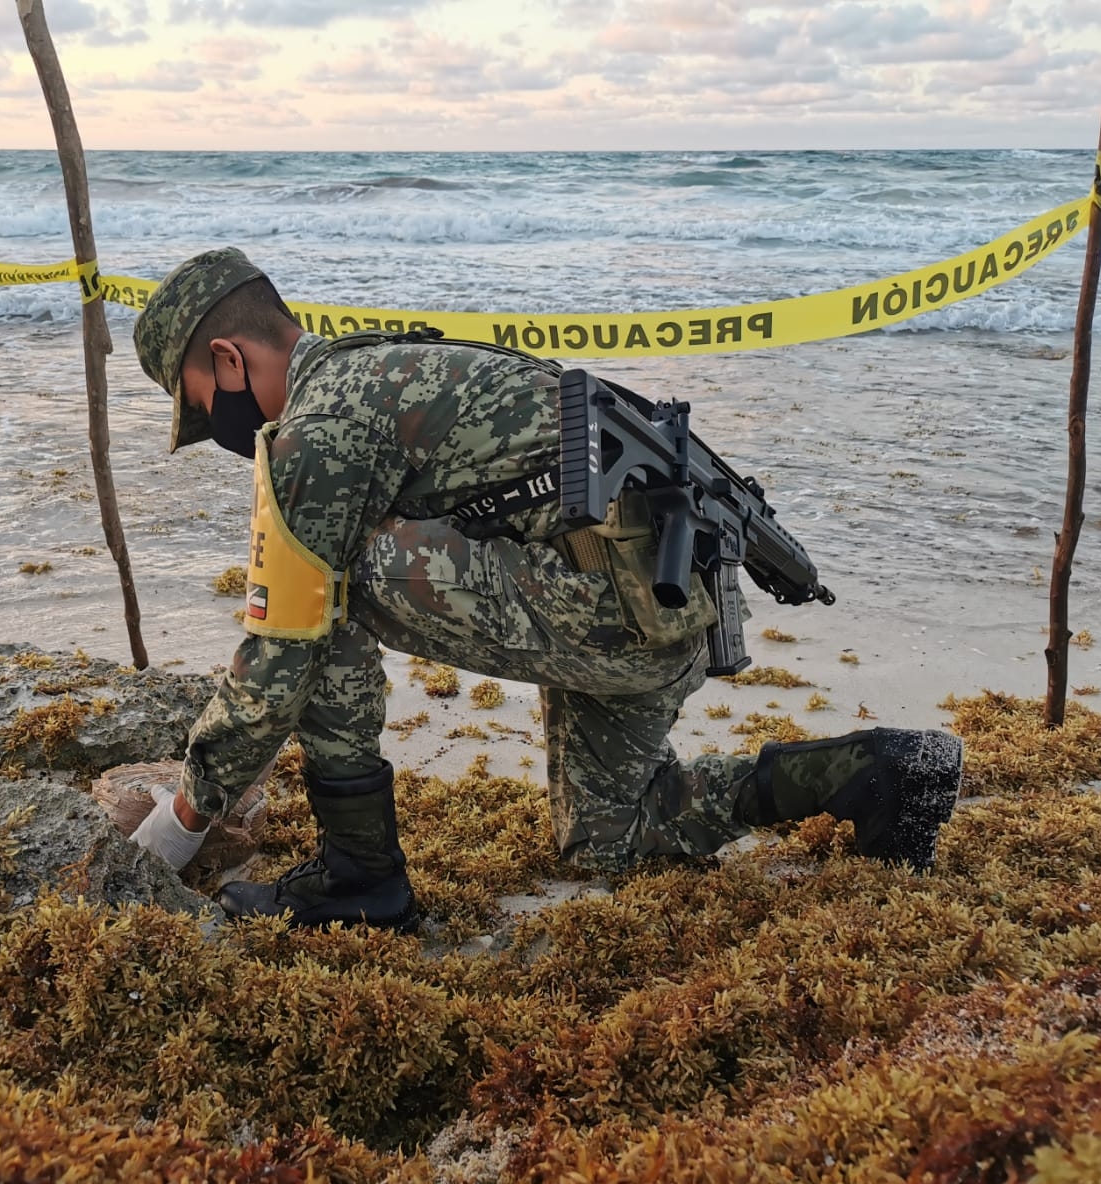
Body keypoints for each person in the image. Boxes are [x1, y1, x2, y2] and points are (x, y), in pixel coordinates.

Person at [126, 247, 962, 933]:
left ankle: (360, 877)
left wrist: (183, 819)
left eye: (203, 407)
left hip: (612, 603)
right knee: (613, 839)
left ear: (229, 359)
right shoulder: (381, 366)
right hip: (667, 602)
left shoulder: (322, 427)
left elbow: (283, 652)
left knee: (325, 590)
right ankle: (877, 772)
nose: (219, 434)